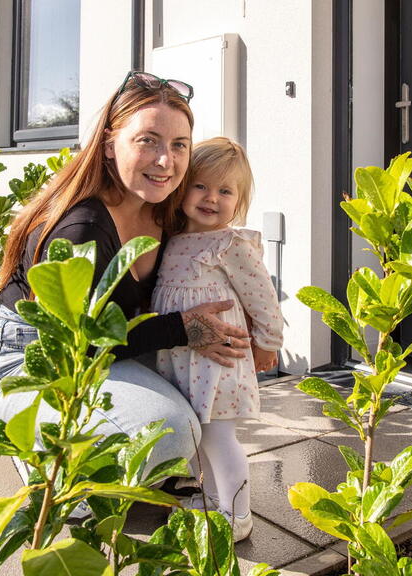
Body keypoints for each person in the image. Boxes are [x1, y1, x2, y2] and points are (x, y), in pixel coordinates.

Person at [0, 72, 251, 486]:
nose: (165, 161)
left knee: (188, 407)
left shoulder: (167, 211)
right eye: (147, 140)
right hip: (32, 356)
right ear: (109, 145)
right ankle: (48, 464)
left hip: (112, 349)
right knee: (171, 432)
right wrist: (182, 328)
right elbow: (79, 341)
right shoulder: (79, 229)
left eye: (178, 145)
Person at [150, 137, 284, 541]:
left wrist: (268, 342)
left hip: (217, 362)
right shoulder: (171, 239)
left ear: (239, 200)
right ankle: (212, 498)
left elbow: (263, 298)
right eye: (201, 186)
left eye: (225, 191)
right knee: (196, 435)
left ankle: (238, 513)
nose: (212, 199)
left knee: (218, 436)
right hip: (180, 360)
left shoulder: (230, 244)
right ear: (183, 187)